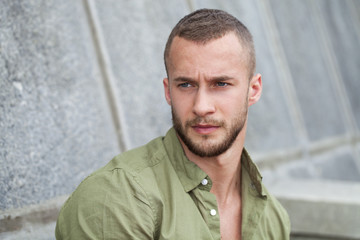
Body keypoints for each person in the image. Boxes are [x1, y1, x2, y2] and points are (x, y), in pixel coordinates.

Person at [55, 8, 290, 240]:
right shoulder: (118, 197)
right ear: (168, 92)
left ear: (253, 90)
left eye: (220, 84)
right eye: (186, 85)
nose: (201, 106)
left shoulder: (274, 220)